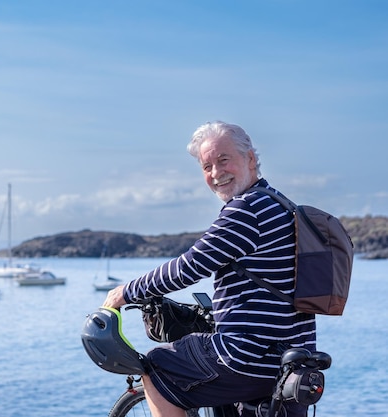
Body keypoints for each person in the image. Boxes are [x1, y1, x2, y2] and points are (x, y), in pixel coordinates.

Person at [103, 121, 316, 417]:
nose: (216, 173)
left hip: (247, 357)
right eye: (207, 166)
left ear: (251, 159)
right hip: (293, 360)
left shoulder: (247, 209)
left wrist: (125, 292)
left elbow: (189, 267)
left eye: (223, 160)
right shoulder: (283, 207)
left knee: (157, 367)